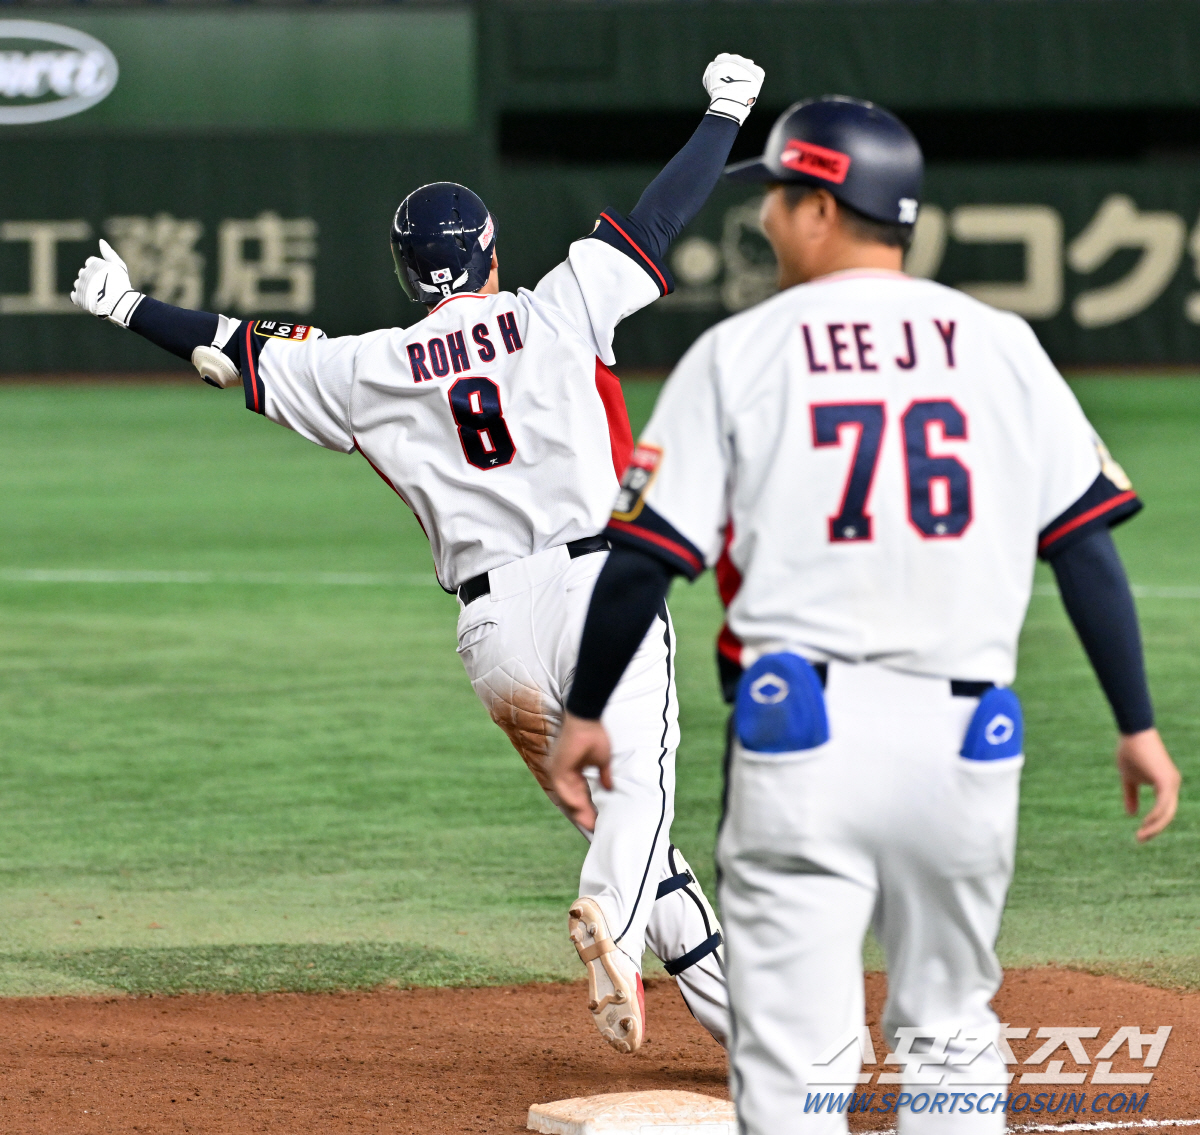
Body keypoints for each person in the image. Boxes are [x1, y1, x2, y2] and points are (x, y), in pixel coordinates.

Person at [69, 52, 768, 1055]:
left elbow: (233, 347)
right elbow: (657, 219)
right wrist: (725, 113)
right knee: (641, 798)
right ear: (489, 252)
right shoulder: (557, 306)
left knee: (632, 832)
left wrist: (126, 306)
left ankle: (751, 1037)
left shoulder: (367, 367)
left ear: (406, 271)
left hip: (494, 636)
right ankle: (609, 924)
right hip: (596, 583)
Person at [549, 96, 1182, 1130]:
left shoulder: (741, 352)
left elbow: (642, 561)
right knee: (951, 1023)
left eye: (779, 196)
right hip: (970, 742)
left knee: (795, 1045)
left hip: (801, 739)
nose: (764, 218)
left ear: (820, 210)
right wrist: (1138, 724)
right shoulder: (1003, 345)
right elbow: (1084, 548)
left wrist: (585, 711)